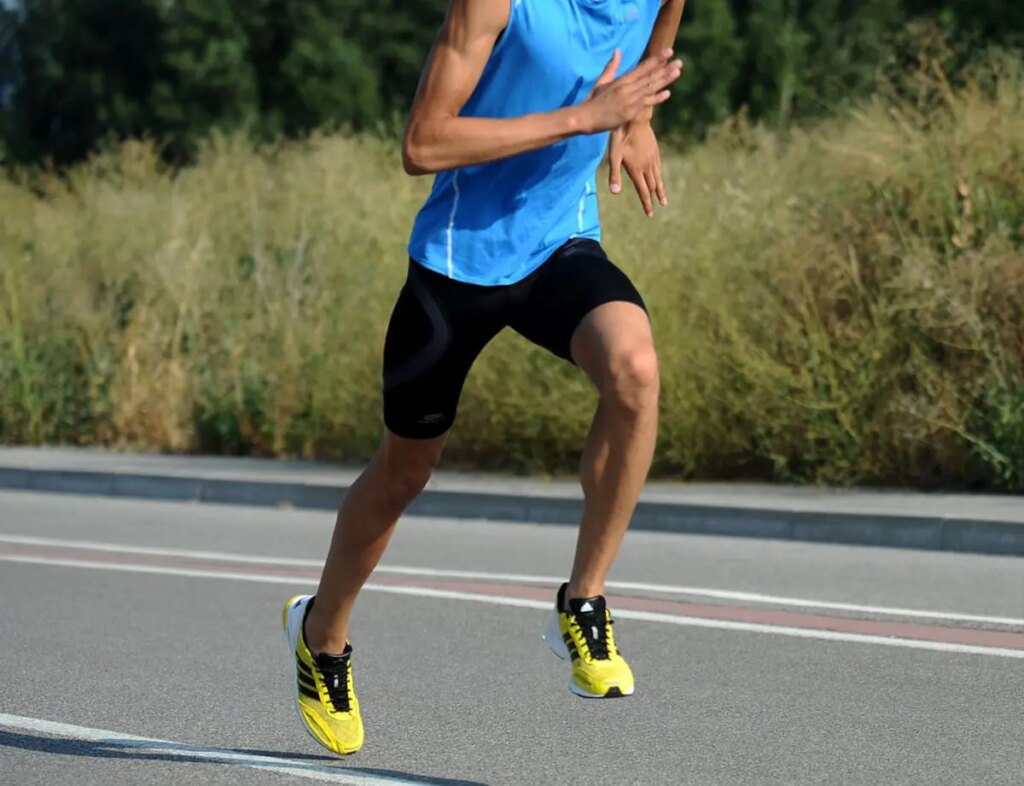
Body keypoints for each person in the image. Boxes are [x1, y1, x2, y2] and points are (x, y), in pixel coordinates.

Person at [282, 0, 685, 756]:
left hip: (561, 242)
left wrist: (634, 120)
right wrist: (585, 117)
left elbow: (661, 38)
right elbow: (422, 143)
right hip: (457, 263)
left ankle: (583, 600)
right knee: (404, 472)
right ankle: (321, 636)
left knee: (635, 370)